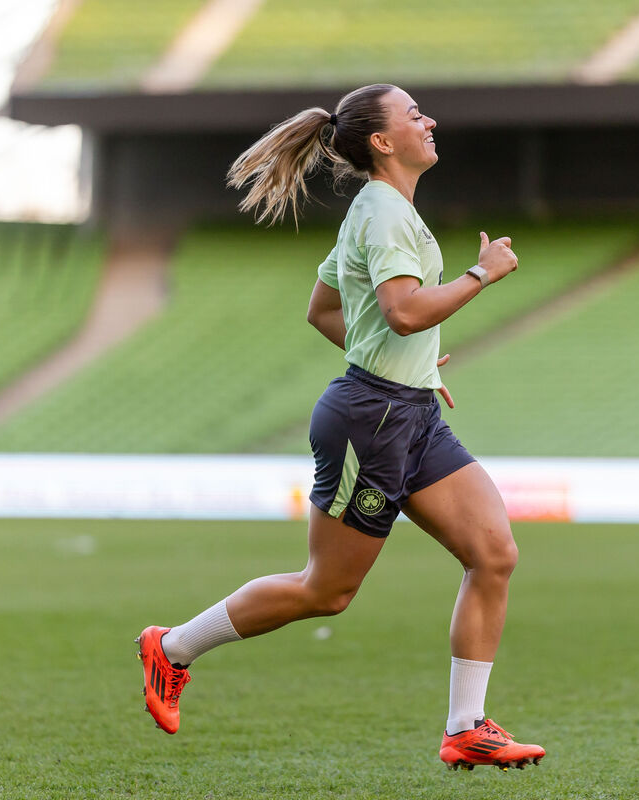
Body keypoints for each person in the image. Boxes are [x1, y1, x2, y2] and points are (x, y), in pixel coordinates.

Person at [136, 84, 545, 771]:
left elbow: (327, 310)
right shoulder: (383, 213)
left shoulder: (385, 210)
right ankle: (171, 648)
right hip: (373, 421)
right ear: (383, 141)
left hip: (409, 411)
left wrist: (411, 364)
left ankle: (466, 727)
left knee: (494, 553)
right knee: (326, 591)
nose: (430, 119)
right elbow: (404, 312)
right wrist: (483, 272)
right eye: (414, 114)